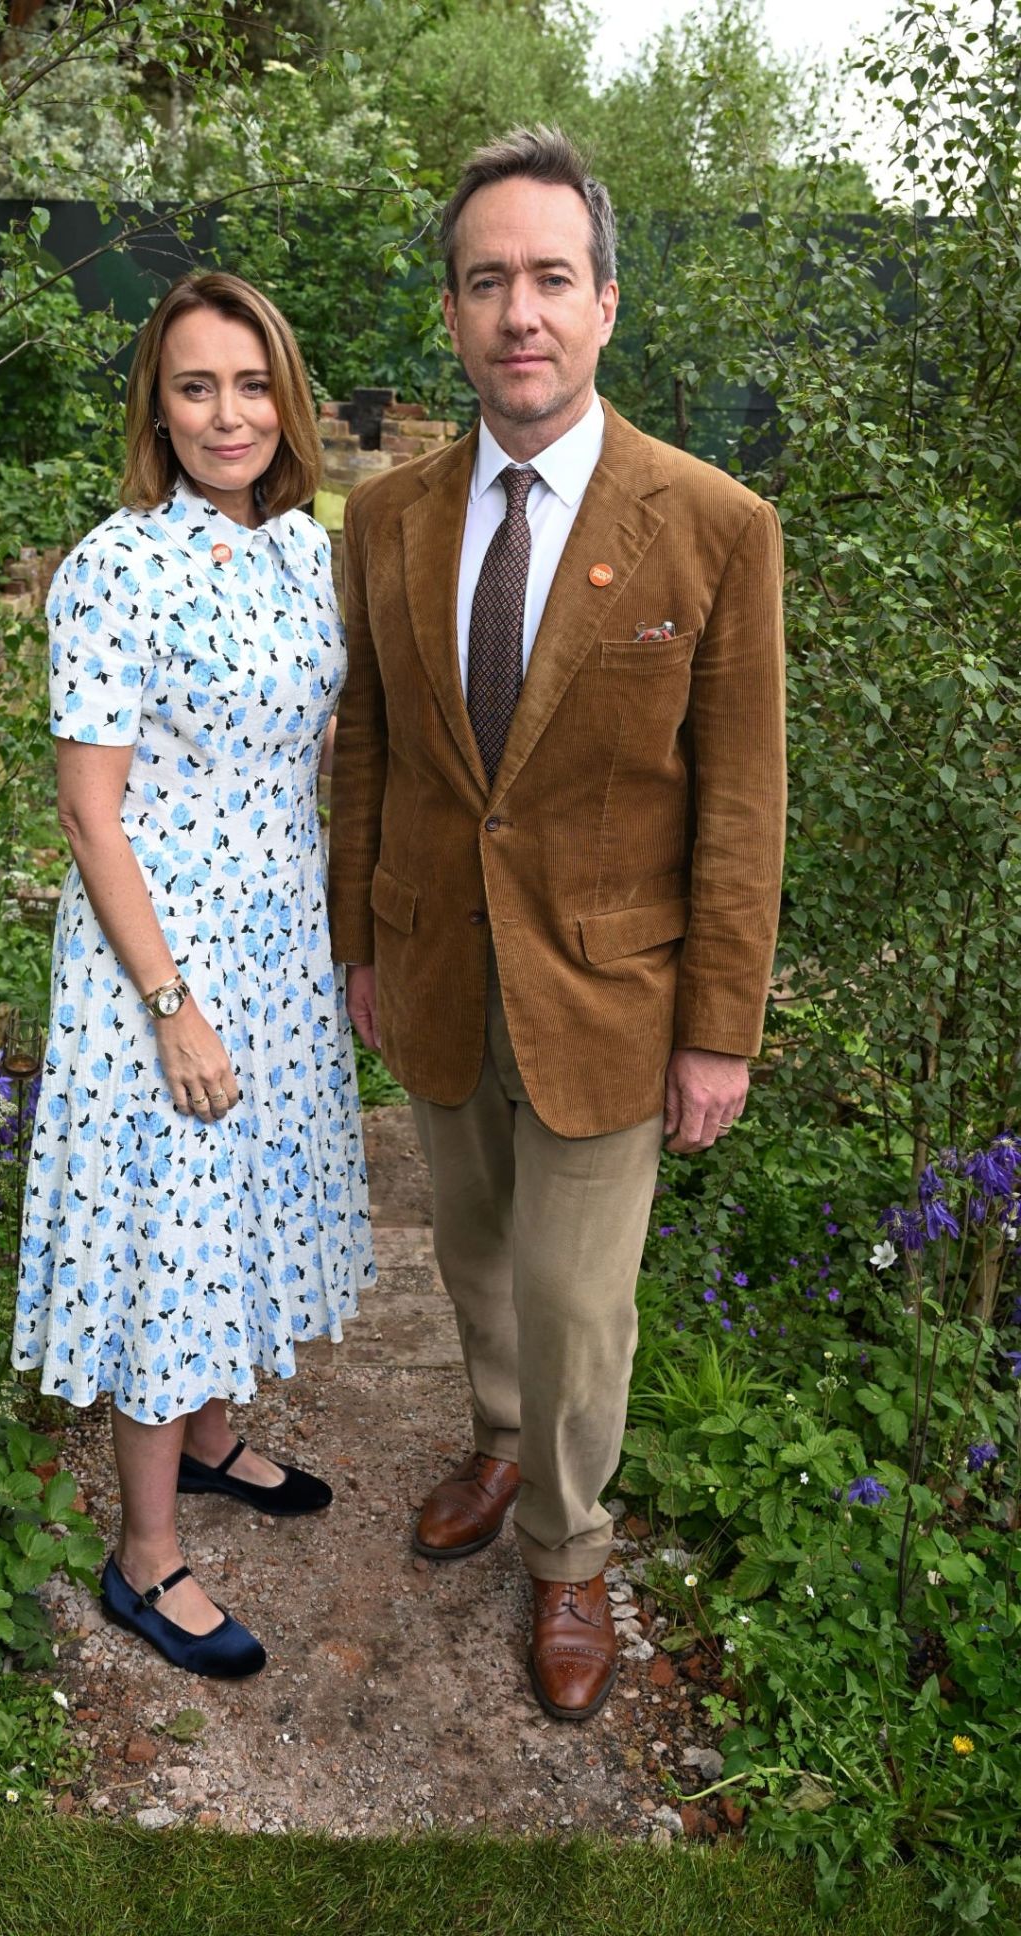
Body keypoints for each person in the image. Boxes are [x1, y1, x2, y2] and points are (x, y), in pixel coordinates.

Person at [328, 128, 785, 1721]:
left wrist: (722, 1024)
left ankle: (570, 1557)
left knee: (579, 1296)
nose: (517, 312)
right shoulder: (384, 520)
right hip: (442, 965)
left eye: (548, 279)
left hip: (615, 993)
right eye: (485, 282)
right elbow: (369, 745)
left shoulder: (714, 525)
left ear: (603, 302)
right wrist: (359, 947)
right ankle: (503, 1444)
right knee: (469, 1252)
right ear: (452, 316)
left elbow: (741, 800)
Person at [14, 270, 374, 1680]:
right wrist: (171, 1007)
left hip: (275, 940)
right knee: (170, 1234)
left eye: (247, 381)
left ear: (283, 395)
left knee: (242, 1199)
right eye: (192, 386)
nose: (227, 414)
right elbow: (91, 811)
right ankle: (145, 1560)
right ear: (156, 413)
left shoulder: (299, 550)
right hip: (155, 960)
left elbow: (317, 743)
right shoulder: (118, 565)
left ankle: (213, 1442)